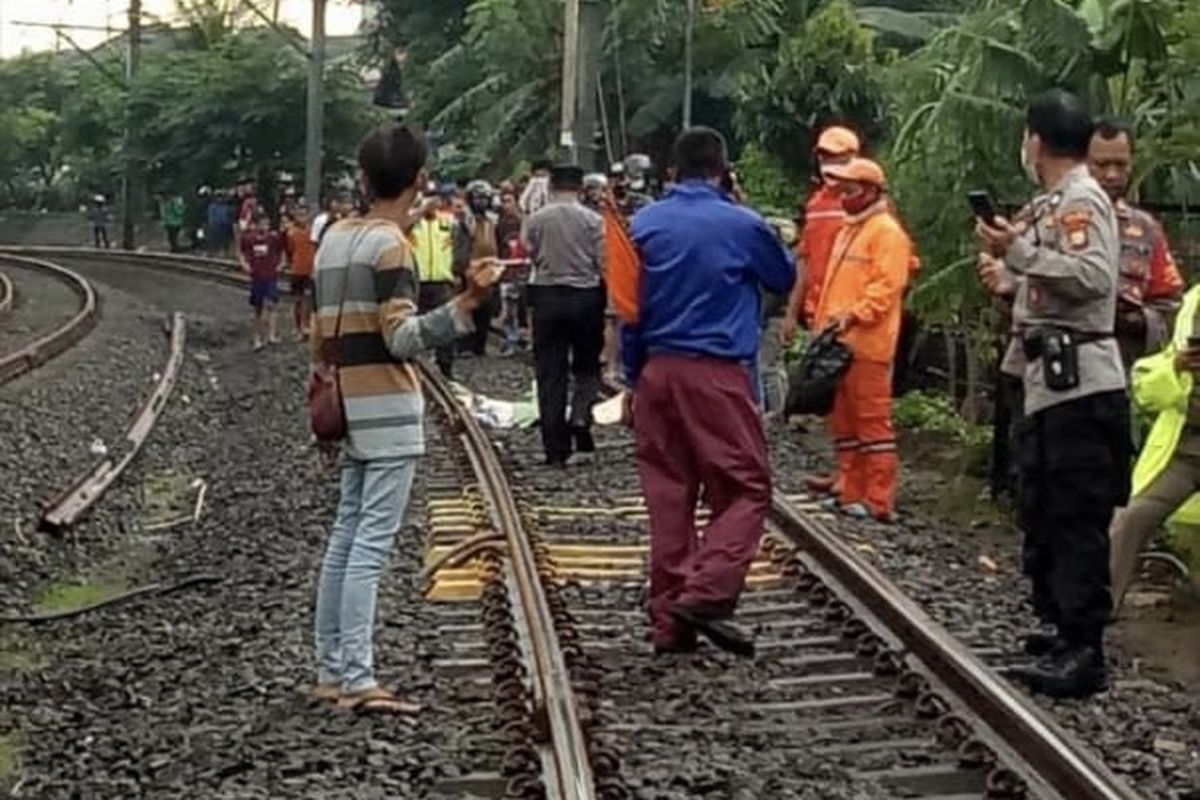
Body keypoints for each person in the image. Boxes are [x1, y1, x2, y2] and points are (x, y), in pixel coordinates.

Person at [310, 123, 499, 714]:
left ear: (363, 179)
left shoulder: (335, 238)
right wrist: (466, 303)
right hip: (387, 409)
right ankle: (361, 680)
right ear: (420, 179)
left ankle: (331, 671)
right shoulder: (393, 246)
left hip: (347, 403)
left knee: (344, 538)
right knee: (370, 544)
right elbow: (401, 338)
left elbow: (320, 334)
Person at [976, 88, 1129, 698]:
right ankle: (1065, 628)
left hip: (1081, 387)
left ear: (1035, 141)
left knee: (1075, 515)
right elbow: (1053, 280)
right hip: (1050, 384)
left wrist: (1019, 251)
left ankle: (1085, 651)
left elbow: (1094, 278)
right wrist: (1012, 274)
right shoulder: (1055, 202)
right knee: (1045, 508)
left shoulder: (1082, 200)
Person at [621, 127, 795, 656]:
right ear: (724, 170)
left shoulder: (643, 224)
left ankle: (669, 624)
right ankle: (706, 592)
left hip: (657, 372)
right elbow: (783, 279)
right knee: (745, 488)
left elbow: (630, 315)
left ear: (670, 172)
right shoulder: (743, 224)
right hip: (717, 372)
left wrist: (633, 380)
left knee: (669, 495)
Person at [810, 158, 915, 523]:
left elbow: (885, 289)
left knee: (872, 425)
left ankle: (879, 500)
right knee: (846, 425)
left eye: (850, 190)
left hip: (867, 345)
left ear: (871, 191)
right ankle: (851, 491)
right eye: (841, 190)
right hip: (841, 344)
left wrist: (853, 315)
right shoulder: (849, 229)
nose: (843, 197)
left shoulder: (886, 232)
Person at [1107, 284, 1200, 612]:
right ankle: (1093, 618)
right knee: (1130, 518)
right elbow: (1147, 391)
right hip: (1183, 451)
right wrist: (1176, 365)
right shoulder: (1194, 302)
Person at [523, 165, 606, 465]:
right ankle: (581, 415)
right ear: (580, 188)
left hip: (546, 296)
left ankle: (554, 448)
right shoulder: (594, 220)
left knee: (550, 373)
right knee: (588, 366)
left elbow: (530, 252)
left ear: (552, 187)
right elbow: (603, 261)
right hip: (585, 297)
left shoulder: (536, 219)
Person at [1088, 118, 1184, 371]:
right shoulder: (1052, 218)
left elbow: (1172, 306)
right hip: (1063, 374)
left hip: (1126, 372)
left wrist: (1136, 321)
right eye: (1101, 165)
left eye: (1120, 165)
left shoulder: (1146, 230)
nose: (1112, 175)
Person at [781, 125, 859, 347]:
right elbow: (805, 261)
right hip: (819, 317)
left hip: (855, 319)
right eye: (825, 157)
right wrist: (791, 315)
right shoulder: (816, 205)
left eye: (836, 157)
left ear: (853, 158)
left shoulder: (871, 206)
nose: (829, 164)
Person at [410, 187, 460, 378]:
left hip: (442, 282)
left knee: (446, 327)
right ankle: (415, 368)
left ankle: (446, 367)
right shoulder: (413, 222)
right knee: (414, 327)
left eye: (436, 200)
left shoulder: (448, 221)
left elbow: (461, 243)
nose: (432, 204)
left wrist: (457, 271)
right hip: (416, 283)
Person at [457, 180, 500, 356]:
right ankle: (465, 346)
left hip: (489, 269)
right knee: (467, 309)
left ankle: (480, 346)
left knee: (486, 310)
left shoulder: (492, 220)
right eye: (477, 198)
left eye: (484, 198)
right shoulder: (464, 221)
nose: (481, 202)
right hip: (469, 270)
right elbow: (460, 247)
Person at [238, 210, 284, 350]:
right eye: (262, 224)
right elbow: (241, 252)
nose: (265, 227)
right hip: (257, 276)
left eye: (267, 224)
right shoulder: (248, 239)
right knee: (258, 308)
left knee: (272, 304)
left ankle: (271, 334)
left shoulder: (273, 238)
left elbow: (281, 251)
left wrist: (281, 264)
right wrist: (244, 264)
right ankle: (257, 337)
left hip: (271, 275)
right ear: (255, 225)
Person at [496, 189, 529, 354]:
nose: (506, 205)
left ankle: (525, 337)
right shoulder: (499, 223)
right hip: (506, 271)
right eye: (503, 201)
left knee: (525, 307)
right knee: (509, 308)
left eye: (509, 201)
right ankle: (511, 339)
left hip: (524, 270)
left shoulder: (525, 222)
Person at [285, 204, 317, 339]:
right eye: (299, 215)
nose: (302, 218)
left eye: (305, 214)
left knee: (308, 299)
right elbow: (289, 251)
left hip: (310, 270)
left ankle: (306, 325)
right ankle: (298, 326)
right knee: (298, 300)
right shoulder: (291, 233)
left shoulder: (312, 232)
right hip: (297, 270)